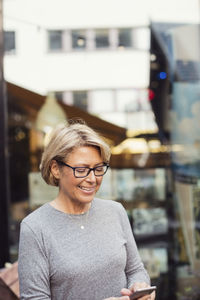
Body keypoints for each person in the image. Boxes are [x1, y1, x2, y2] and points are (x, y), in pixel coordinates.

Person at [18, 121, 156, 300]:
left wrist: (140, 287)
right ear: (55, 169)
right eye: (82, 170)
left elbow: (136, 270)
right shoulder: (35, 228)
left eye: (98, 169)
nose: (92, 179)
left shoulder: (115, 211)